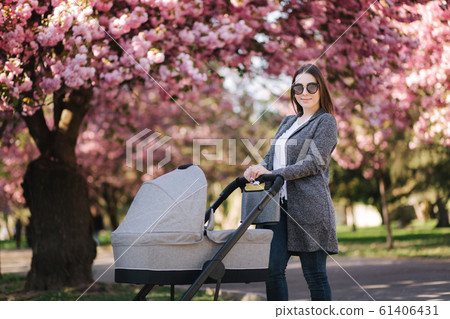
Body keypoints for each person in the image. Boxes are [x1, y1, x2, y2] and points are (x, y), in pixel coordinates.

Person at [244, 64, 338, 301]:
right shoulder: (287, 122)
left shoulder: (325, 122)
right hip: (277, 208)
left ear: (321, 89)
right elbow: (270, 158)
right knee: (272, 270)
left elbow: (314, 163)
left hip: (310, 207)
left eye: (311, 86)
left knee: (314, 274)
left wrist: (275, 174)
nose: (304, 92)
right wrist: (256, 169)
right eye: (298, 87)